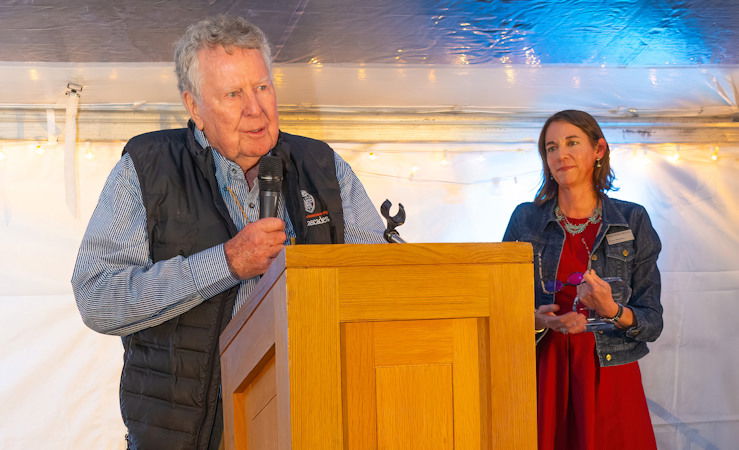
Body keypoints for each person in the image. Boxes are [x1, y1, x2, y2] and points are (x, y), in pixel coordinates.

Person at [71, 15, 385, 449]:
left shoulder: (323, 168)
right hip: (184, 437)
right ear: (195, 106)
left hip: (308, 425)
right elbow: (97, 298)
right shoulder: (146, 168)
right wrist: (226, 263)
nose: (255, 109)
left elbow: (380, 284)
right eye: (234, 94)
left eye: (262, 87)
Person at [503, 110, 662, 450]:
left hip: (609, 373)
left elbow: (652, 321)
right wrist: (532, 319)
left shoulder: (632, 219)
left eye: (572, 142)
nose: (561, 154)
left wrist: (612, 310)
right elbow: (500, 302)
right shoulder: (525, 219)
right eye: (551, 147)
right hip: (545, 370)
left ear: (599, 149)